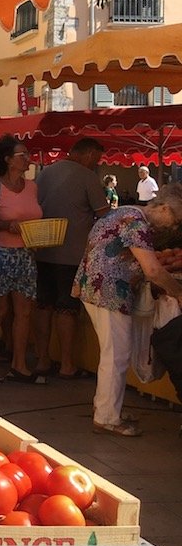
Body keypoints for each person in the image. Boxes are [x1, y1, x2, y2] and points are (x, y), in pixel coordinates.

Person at [73, 183, 182, 436]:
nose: (174, 227)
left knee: (113, 353)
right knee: (117, 355)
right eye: (175, 220)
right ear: (164, 208)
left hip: (96, 287)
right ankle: (107, 418)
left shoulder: (124, 212)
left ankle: (107, 408)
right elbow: (153, 270)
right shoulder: (136, 222)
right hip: (109, 291)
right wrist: (177, 291)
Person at [33, 138, 110, 380]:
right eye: (96, 159)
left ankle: (43, 359)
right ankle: (67, 364)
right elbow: (105, 215)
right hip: (71, 254)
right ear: (87, 155)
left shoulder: (45, 173)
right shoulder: (87, 177)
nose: (96, 164)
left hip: (43, 250)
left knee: (43, 306)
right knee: (67, 309)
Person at [0, 136, 44, 383]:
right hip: (1, 253)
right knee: (0, 311)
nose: (27, 159)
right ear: (7, 160)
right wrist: (4, 225)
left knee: (24, 312)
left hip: (27, 253)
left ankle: (19, 364)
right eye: (22, 155)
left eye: (27, 154)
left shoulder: (33, 187)